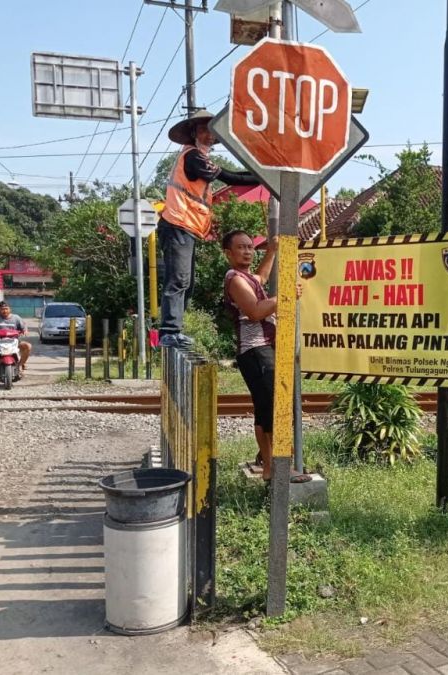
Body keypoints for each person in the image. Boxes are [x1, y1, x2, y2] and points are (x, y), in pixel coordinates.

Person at [157, 110, 260, 349]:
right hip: (178, 223)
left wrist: (261, 175)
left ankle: (175, 331)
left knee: (187, 282)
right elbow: (231, 178)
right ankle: (169, 332)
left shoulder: (199, 157)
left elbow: (232, 175)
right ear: (194, 132)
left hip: (187, 226)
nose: (209, 134)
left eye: (212, 130)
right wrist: (261, 177)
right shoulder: (193, 157)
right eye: (204, 129)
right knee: (179, 280)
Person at [221, 230, 310, 484]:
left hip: (258, 351)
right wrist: (285, 296)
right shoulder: (234, 279)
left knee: (263, 410)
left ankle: (270, 466)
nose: (248, 251)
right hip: (256, 350)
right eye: (241, 247)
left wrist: (270, 251)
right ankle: (282, 466)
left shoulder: (248, 278)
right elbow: (255, 311)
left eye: (250, 247)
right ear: (228, 253)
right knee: (276, 407)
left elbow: (261, 277)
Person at [0, 301, 31, 374]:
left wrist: (25, 330)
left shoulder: (16, 318)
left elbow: (24, 326)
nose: (4, 311)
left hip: (14, 341)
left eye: (6, 309)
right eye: (2, 309)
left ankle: (21, 364)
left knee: (28, 346)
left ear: (10, 309)